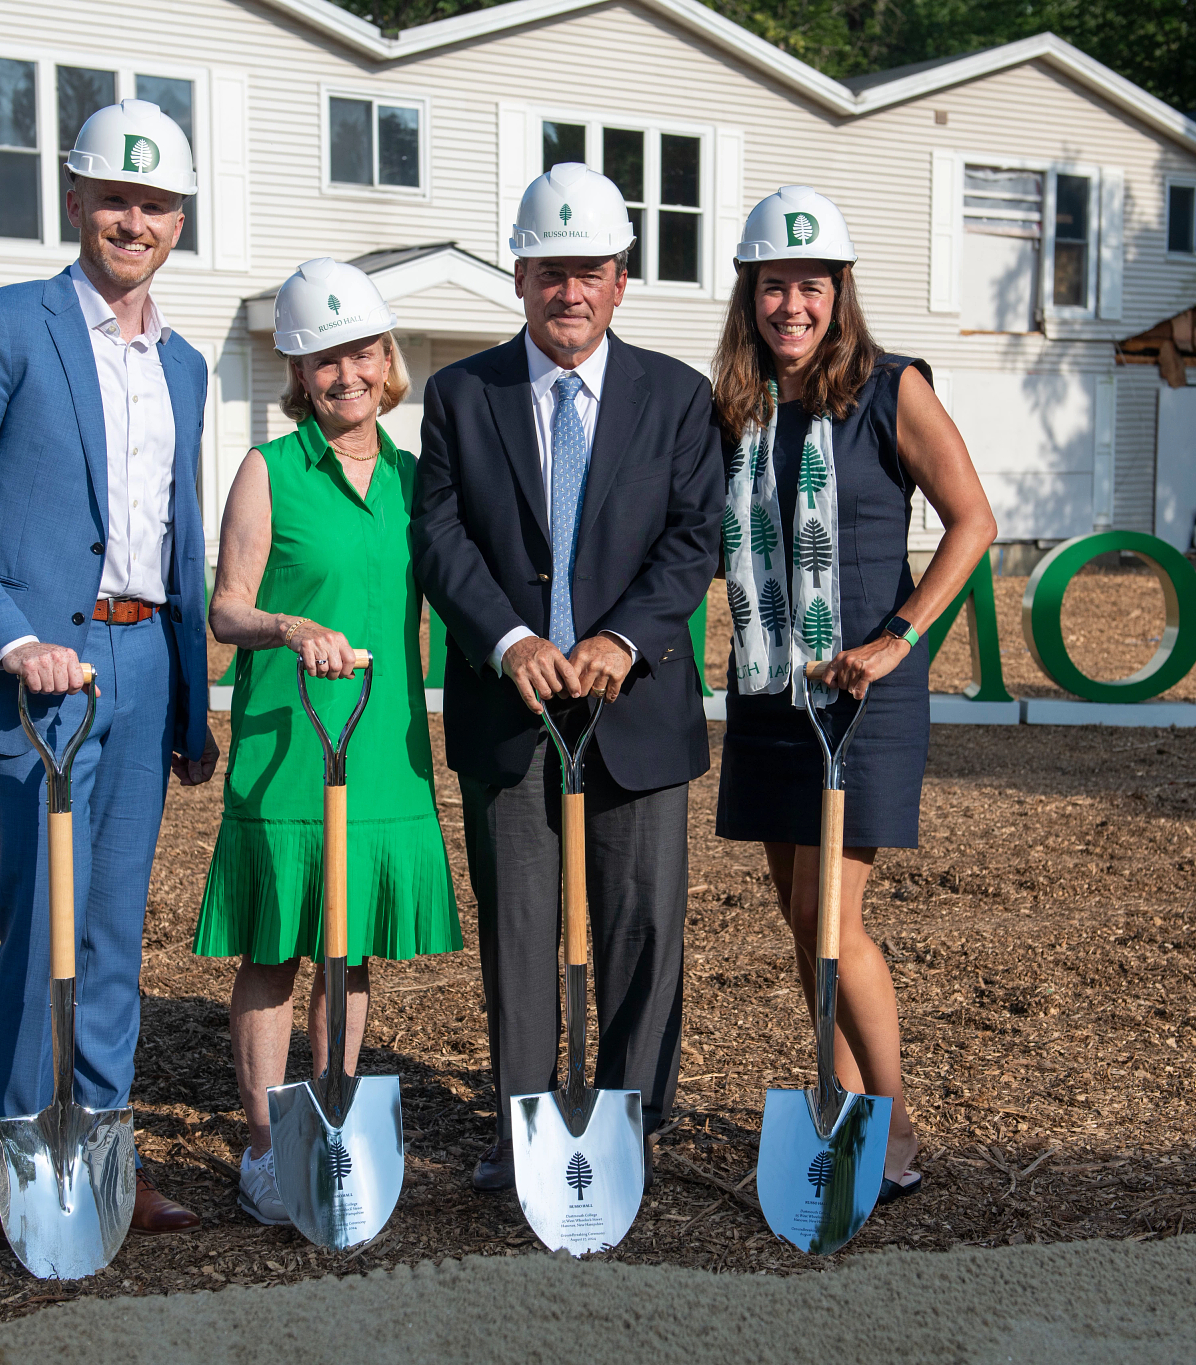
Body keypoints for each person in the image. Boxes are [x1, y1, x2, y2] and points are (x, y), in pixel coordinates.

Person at [0, 99, 216, 1235]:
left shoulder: (182, 366)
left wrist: (190, 700)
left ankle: (103, 1155)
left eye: (157, 203)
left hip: (143, 661)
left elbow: (175, 535)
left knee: (116, 930)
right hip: (41, 673)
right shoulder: (0, 325)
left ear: (180, 218)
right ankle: (25, 1170)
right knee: (46, 923)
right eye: (115, 197)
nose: (135, 220)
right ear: (74, 201)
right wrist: (10, 634)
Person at [412, 163, 724, 1192]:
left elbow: (691, 539)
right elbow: (440, 535)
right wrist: (508, 640)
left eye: (588, 271)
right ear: (517, 275)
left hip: (634, 710)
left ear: (621, 280)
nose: (568, 292)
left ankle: (627, 1126)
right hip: (512, 711)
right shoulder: (463, 394)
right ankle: (527, 1129)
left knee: (640, 930)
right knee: (518, 935)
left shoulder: (676, 398)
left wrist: (622, 641)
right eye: (549, 271)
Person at [711, 186, 997, 1200]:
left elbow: (970, 522)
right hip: (768, 694)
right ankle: (836, 1110)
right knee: (801, 915)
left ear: (840, 293)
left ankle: (893, 1122)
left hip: (861, 698)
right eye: (773, 287)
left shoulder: (889, 388)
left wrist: (896, 639)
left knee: (832, 919)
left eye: (811, 286)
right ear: (749, 296)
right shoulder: (739, 409)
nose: (792, 306)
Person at [197, 258, 462, 1225]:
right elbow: (226, 608)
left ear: (389, 360)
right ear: (298, 372)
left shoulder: (417, 481)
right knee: (275, 950)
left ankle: (330, 1123)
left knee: (349, 958)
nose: (346, 374)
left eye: (362, 353)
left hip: (382, 744)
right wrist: (290, 629)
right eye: (322, 359)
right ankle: (267, 1145)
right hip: (287, 742)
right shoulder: (269, 471)